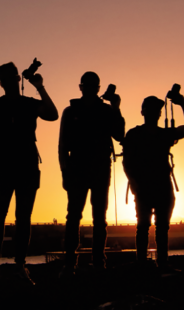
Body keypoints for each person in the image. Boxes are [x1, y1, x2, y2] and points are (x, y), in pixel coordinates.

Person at [0, 62, 58, 283]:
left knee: (23, 218)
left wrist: (40, 87)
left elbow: (52, 114)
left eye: (12, 77)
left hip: (27, 167)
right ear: (2, 83)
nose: (10, 82)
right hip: (4, 168)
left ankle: (20, 264)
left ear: (16, 79)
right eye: (5, 79)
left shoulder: (30, 104)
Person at [58, 71, 125, 277]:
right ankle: (70, 263)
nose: (89, 89)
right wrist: (65, 172)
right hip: (77, 168)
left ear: (97, 88)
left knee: (99, 218)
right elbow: (62, 145)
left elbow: (120, 135)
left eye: (92, 86)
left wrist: (116, 107)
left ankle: (98, 263)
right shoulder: (70, 111)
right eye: (86, 86)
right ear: (81, 87)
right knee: (73, 217)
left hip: (100, 168)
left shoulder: (106, 111)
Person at [122, 93, 184, 271]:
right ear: (143, 111)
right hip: (144, 187)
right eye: (151, 109)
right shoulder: (134, 134)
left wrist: (183, 103)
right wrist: (133, 182)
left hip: (163, 186)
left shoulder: (165, 134)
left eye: (157, 110)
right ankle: (142, 263)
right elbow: (127, 162)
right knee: (143, 226)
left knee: (161, 227)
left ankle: (161, 263)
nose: (155, 113)